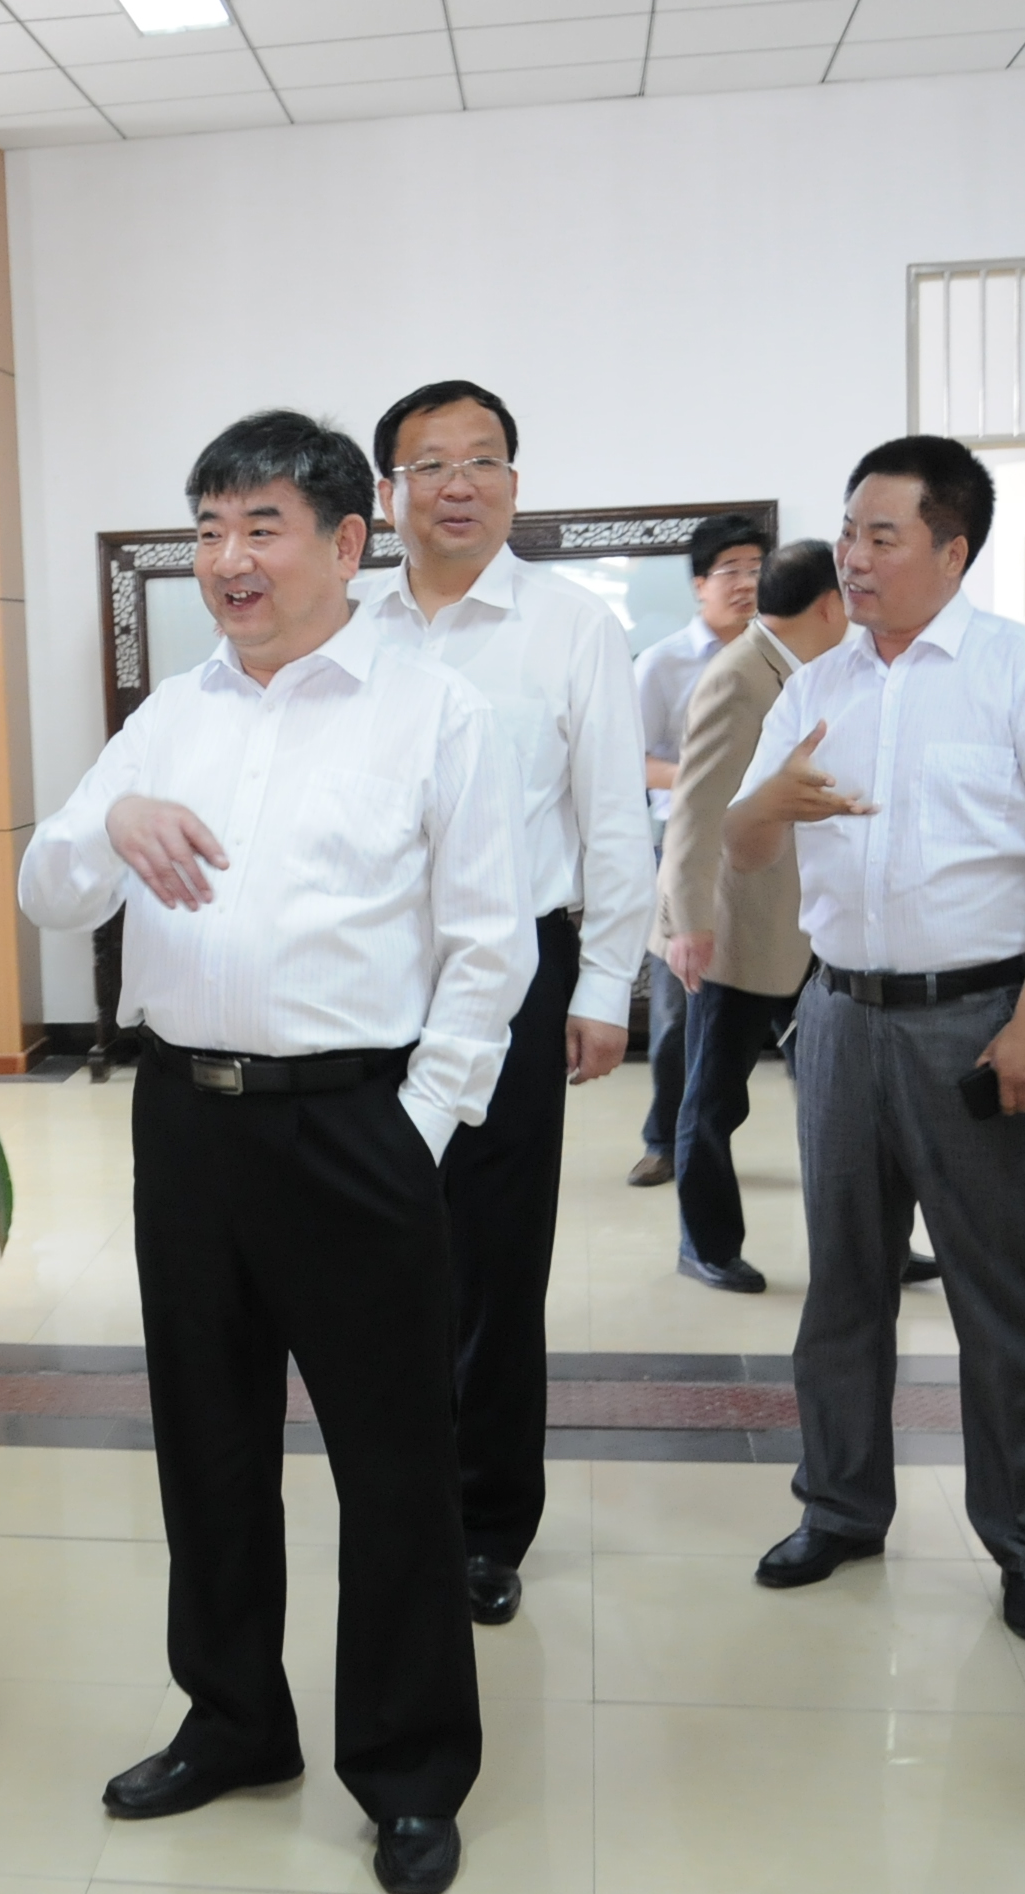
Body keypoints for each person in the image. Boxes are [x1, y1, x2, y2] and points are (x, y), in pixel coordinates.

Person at [18, 410, 530, 1894]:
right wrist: (113, 819)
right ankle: (235, 1719)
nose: (228, 561)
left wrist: (416, 1129)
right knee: (209, 1445)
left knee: (395, 1465)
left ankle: (410, 1770)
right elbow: (49, 888)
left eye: (260, 528)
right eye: (208, 530)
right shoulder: (169, 717)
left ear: (346, 542)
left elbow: (488, 948)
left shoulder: (434, 713)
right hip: (186, 1123)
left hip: (354, 1122)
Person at [724, 435, 1025, 1643]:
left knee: (1004, 1296)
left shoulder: (1024, 675)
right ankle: (840, 1507)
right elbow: (745, 843)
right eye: (849, 532)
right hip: (840, 1016)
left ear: (953, 548)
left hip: (979, 1021)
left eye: (881, 536)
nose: (853, 556)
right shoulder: (817, 686)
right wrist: (762, 807)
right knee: (843, 1286)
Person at [352, 381, 649, 1629]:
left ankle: (485, 1523)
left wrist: (607, 984)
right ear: (389, 494)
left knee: (492, 1259)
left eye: (480, 461)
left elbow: (613, 816)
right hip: (368, 984)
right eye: (428, 464)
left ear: (515, 486)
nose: (456, 484)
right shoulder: (348, 624)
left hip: (518, 977)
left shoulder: (571, 628)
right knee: (376, 1251)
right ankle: (396, 1503)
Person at [653, 538, 837, 1290]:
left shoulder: (811, 669)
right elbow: (694, 811)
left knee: (839, 1095)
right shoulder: (738, 677)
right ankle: (705, 1244)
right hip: (735, 929)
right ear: (830, 604)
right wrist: (688, 923)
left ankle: (874, 1247)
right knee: (714, 1100)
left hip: (812, 923)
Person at [627, 513, 769, 1187]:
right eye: (730, 571)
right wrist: (703, 777)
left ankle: (714, 1138)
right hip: (685, 849)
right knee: (679, 1006)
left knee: (757, 1003)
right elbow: (629, 761)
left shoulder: (781, 659)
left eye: (756, 570)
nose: (745, 583)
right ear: (698, 585)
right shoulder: (662, 664)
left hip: (768, 850)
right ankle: (665, 1140)